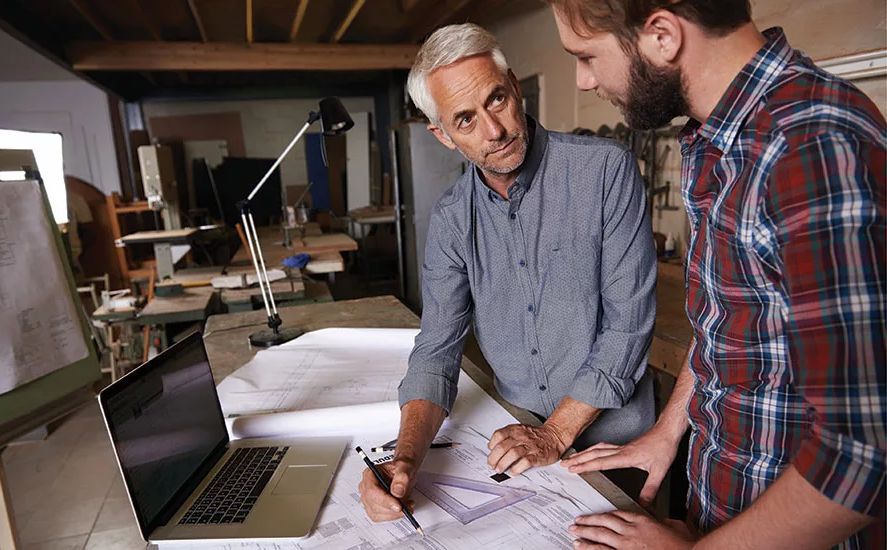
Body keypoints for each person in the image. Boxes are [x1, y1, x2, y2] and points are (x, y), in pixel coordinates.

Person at [548, 1, 886, 548]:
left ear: (662, 35)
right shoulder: (716, 138)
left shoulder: (811, 144)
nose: (583, 81)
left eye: (587, 55)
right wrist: (668, 431)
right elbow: (727, 321)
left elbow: (862, 456)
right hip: (724, 515)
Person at [358, 23, 658, 523]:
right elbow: (436, 348)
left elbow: (627, 328)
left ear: (515, 87)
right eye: (465, 120)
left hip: (614, 450)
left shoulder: (605, 172)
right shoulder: (453, 219)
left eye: (496, 100)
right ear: (444, 135)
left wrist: (554, 435)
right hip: (516, 448)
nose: (493, 131)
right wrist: (404, 458)